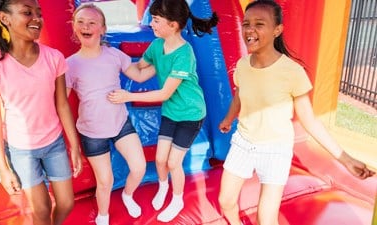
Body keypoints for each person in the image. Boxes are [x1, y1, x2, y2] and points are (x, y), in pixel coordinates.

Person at [217, 1, 376, 225]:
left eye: (259, 24)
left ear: (277, 30)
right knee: (226, 201)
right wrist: (228, 118)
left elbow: (309, 120)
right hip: (244, 142)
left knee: (266, 217)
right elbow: (239, 96)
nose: (249, 30)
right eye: (246, 24)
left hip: (275, 150)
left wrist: (346, 159)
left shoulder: (292, 72)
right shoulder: (243, 65)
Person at [0, 0, 83, 224]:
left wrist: (74, 144)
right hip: (21, 151)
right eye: (27, 13)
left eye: (39, 13)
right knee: (41, 210)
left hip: (54, 143)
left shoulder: (54, 57)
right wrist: (3, 168)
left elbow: (62, 105)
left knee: (66, 203)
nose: (37, 18)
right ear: (4, 19)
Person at [107, 0, 219, 222]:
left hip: (190, 114)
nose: (151, 23)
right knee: (160, 160)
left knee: (173, 162)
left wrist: (128, 96)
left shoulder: (184, 53)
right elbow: (139, 71)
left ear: (174, 25)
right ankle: (163, 185)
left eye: (156, 20)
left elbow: (164, 93)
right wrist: (111, 59)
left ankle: (177, 199)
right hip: (171, 112)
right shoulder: (157, 46)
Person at [66, 4, 152, 225]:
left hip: (120, 123)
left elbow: (139, 76)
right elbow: (61, 102)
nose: (86, 26)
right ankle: (103, 216)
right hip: (92, 132)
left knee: (139, 166)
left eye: (92, 22)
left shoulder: (114, 55)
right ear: (74, 27)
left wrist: (165, 63)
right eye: (81, 22)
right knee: (105, 181)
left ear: (102, 29)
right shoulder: (71, 64)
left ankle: (128, 195)